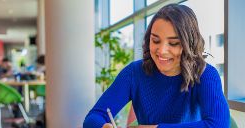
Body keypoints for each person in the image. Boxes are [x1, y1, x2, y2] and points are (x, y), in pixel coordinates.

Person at [83, 4, 230, 128]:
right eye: (155, 40)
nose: (161, 50)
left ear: (189, 44)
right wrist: (103, 126)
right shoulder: (134, 73)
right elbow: (93, 117)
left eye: (173, 43)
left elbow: (219, 124)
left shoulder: (205, 74)